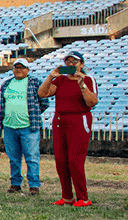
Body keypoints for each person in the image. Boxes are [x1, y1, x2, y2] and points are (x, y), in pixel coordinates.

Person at [37, 50, 98, 207]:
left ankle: (83, 197)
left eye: (74, 62)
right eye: (68, 62)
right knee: (60, 160)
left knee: (75, 160)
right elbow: (42, 93)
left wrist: (81, 84)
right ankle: (67, 196)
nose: (71, 65)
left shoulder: (88, 79)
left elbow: (92, 102)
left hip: (79, 119)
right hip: (60, 120)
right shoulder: (61, 80)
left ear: (81, 64)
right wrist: (52, 76)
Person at [0, 58, 48, 195]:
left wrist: (33, 114)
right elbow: (3, 103)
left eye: (22, 67)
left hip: (28, 127)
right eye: (16, 67)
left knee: (31, 157)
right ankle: (15, 183)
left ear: (28, 70)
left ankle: (34, 185)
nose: (19, 70)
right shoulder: (6, 84)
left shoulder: (35, 83)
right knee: (13, 158)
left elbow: (44, 102)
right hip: (9, 126)